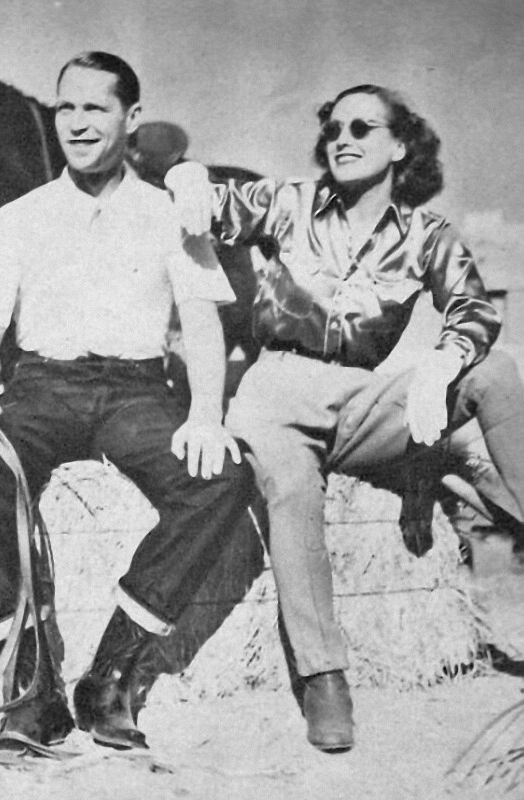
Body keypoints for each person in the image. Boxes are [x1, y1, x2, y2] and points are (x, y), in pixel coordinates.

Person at [165, 84, 524, 752]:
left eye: (363, 127)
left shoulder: (428, 236)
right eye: (333, 128)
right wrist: (187, 178)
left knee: (495, 372)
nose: (342, 139)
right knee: (292, 492)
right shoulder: (290, 202)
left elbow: (473, 310)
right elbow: (214, 203)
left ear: (400, 146)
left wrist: (442, 364)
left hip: (362, 398)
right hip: (276, 391)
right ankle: (323, 678)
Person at [0, 51, 254, 753]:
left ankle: (109, 677)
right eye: (65, 108)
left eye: (94, 108)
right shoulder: (16, 218)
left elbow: (203, 323)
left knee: (222, 479)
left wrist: (205, 414)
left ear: (131, 118)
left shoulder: (170, 215)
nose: (76, 124)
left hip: (136, 393)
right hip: (40, 390)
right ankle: (30, 688)